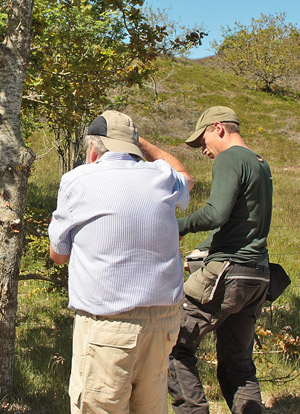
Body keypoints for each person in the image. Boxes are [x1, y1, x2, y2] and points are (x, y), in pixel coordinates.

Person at [48, 110, 195, 414]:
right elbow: (188, 179)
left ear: (93, 148)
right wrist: (144, 145)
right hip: (164, 321)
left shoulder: (77, 180)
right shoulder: (162, 176)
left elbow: (58, 255)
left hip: (109, 324)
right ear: (134, 146)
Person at [168, 106, 273, 414]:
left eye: (203, 141)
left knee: (172, 343)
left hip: (227, 273)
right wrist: (204, 248)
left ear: (218, 128)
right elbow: (243, 224)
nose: (203, 150)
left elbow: (216, 214)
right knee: (238, 363)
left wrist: (178, 226)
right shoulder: (259, 162)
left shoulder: (230, 158)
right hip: (257, 275)